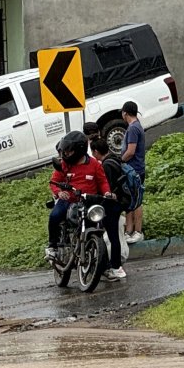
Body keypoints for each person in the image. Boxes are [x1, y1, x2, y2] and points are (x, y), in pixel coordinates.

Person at [46, 131, 114, 262]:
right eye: (65, 151)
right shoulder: (64, 164)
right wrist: (59, 192)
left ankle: (102, 260)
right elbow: (54, 181)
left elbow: (103, 182)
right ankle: (52, 247)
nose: (66, 154)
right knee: (54, 216)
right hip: (68, 200)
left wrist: (107, 193)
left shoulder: (94, 164)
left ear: (78, 150)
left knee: (100, 222)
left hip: (88, 201)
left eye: (69, 151)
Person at [90, 138, 128, 281]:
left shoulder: (106, 165)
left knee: (110, 236)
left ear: (96, 151)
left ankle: (113, 266)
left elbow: (107, 188)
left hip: (110, 205)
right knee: (114, 236)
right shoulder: (115, 159)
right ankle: (116, 266)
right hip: (119, 203)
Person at [120, 101, 147, 243]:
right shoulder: (136, 126)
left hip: (134, 170)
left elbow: (130, 151)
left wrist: (120, 161)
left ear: (125, 113)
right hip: (134, 169)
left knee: (136, 202)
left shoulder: (132, 129)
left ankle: (138, 231)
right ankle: (129, 230)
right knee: (130, 201)